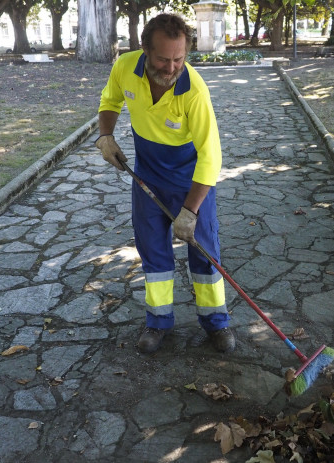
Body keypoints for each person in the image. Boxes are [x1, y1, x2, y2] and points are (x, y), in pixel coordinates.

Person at [96, 13, 234, 354]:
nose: (171, 67)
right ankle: (158, 323)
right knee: (153, 252)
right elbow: (110, 101)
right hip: (147, 177)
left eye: (179, 58)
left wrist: (190, 211)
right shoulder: (125, 67)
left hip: (192, 184)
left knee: (205, 255)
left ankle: (216, 323)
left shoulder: (194, 91)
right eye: (162, 58)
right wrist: (106, 135)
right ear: (144, 51)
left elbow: (211, 158)